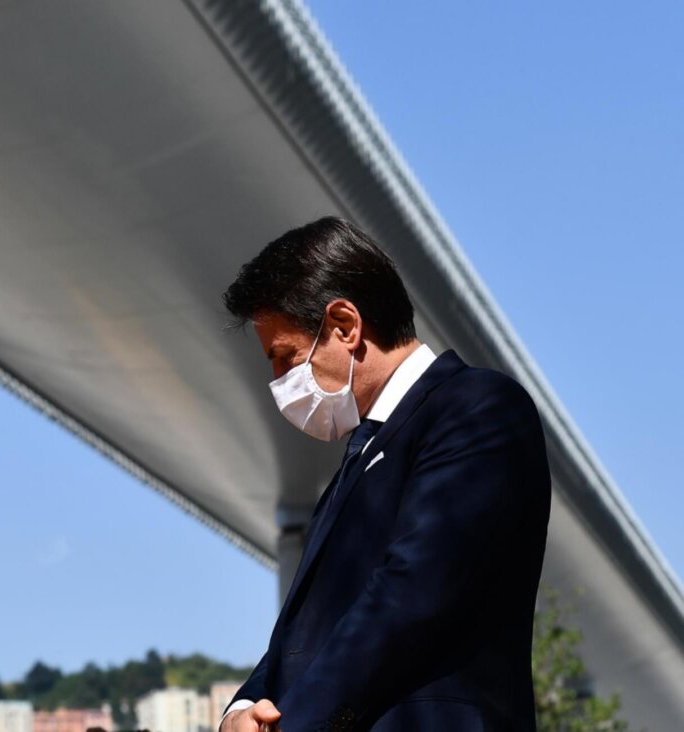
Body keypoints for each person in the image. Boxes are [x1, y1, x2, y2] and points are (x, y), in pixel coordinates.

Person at [218, 217, 551, 731]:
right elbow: (305, 633)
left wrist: (294, 723)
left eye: (285, 359)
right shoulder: (361, 455)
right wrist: (245, 708)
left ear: (345, 326)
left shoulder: (476, 408)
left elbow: (412, 591)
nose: (280, 382)